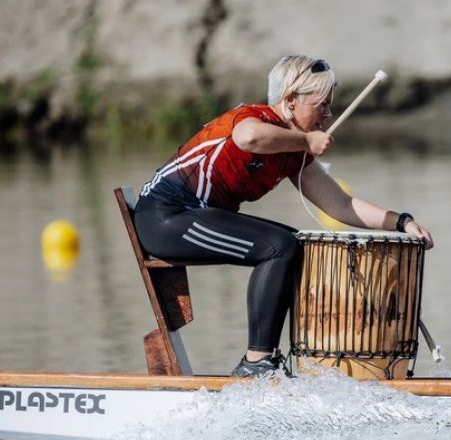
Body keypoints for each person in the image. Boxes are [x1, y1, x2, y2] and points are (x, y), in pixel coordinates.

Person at [134, 55, 434, 377]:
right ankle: (256, 363)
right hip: (165, 219)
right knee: (278, 246)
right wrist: (306, 140)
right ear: (290, 101)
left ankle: (287, 360)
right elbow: (247, 138)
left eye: (330, 106)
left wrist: (402, 222)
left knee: (297, 243)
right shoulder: (252, 119)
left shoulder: (291, 152)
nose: (328, 115)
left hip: (191, 218)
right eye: (322, 105)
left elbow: (341, 206)